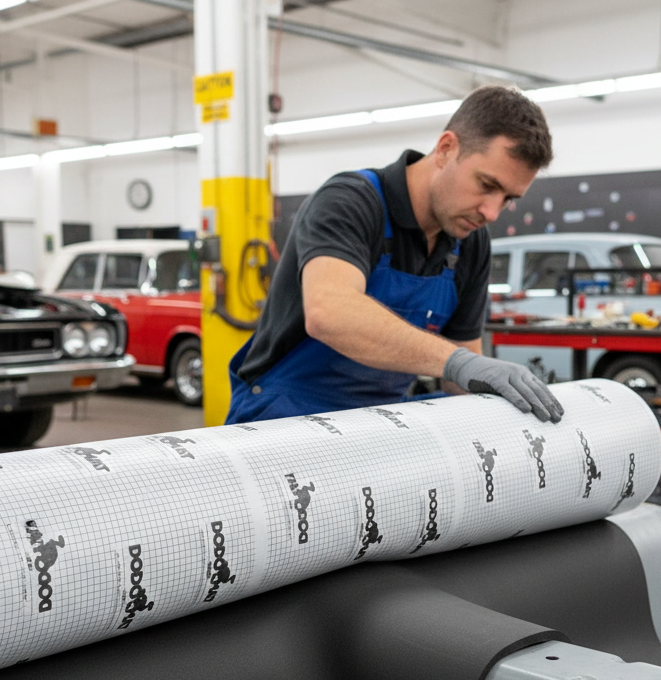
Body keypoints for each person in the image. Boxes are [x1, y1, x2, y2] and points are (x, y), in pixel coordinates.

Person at [226, 85, 563, 425]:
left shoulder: (471, 243)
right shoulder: (350, 202)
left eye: (508, 199)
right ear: (446, 149)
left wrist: (503, 394)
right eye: (486, 185)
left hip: (381, 420)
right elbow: (330, 312)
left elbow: (459, 376)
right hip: (281, 418)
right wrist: (459, 362)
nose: (492, 212)